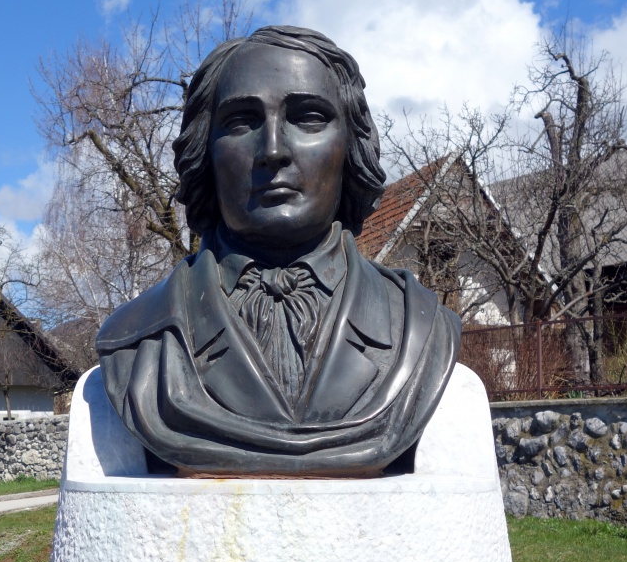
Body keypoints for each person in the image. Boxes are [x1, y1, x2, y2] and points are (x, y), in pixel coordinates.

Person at [96, 25, 460, 478]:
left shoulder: (420, 329)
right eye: (240, 122)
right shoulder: (138, 338)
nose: (272, 150)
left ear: (351, 146)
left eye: (308, 117)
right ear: (204, 153)